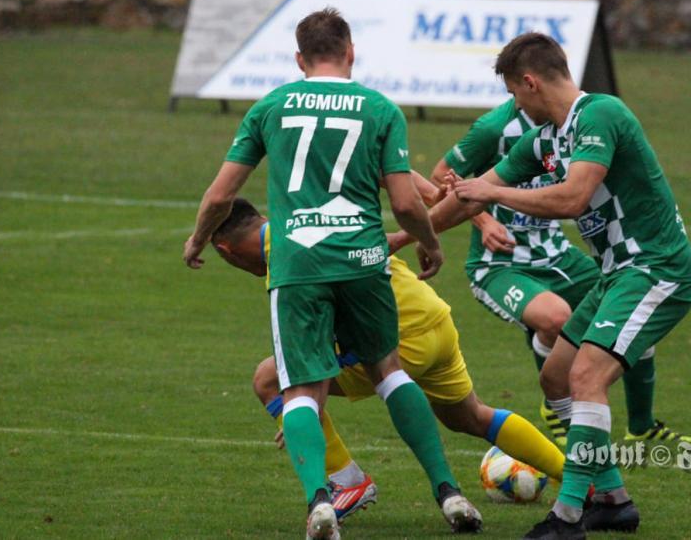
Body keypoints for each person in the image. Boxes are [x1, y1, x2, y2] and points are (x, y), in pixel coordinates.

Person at [182, 8, 481, 539]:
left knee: (300, 389)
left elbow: (221, 195)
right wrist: (431, 244)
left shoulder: (270, 107)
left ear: (299, 59)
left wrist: (198, 237)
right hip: (362, 260)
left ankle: (321, 501)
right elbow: (406, 203)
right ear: (350, 53)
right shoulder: (380, 109)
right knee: (389, 372)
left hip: (298, 263)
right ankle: (448, 492)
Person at [424, 33, 691, 539]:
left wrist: (493, 193)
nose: (515, 104)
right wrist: (407, 237)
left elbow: (572, 198)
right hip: (617, 273)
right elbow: (471, 196)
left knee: (586, 377)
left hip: (656, 268)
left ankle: (568, 517)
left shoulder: (601, 114)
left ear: (530, 83)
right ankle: (612, 499)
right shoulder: (546, 138)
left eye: (514, 93)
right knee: (556, 376)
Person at [209, 197, 567, 522]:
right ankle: (577, 479)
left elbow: (319, 335)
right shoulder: (318, 216)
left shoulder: (283, 252)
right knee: (471, 415)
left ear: (226, 251)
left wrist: (302, 409)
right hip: (435, 320)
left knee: (270, 378)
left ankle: (347, 481)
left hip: (395, 339)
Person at [422, 102, 691, 449]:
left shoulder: (572, 126)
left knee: (634, 309)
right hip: (501, 264)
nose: (515, 97)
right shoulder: (494, 128)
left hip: (558, 255)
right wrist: (485, 221)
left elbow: (573, 195)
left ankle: (641, 426)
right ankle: (560, 409)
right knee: (555, 318)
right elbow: (442, 175)